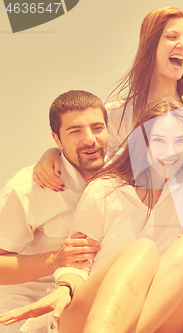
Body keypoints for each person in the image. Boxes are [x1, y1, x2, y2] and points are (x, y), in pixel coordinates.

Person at [0, 98, 183, 333]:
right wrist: (65, 287)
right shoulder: (104, 189)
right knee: (142, 251)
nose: (170, 150)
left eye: (181, 141)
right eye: (159, 140)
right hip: (92, 315)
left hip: (155, 318)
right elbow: (77, 262)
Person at [33, 5, 183, 191]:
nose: (182, 45)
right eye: (171, 37)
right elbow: (91, 160)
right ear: (150, 44)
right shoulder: (118, 114)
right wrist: (54, 153)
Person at [0, 90, 105, 333]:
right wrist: (56, 260)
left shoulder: (119, 182)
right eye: (75, 131)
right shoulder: (29, 186)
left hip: (86, 314)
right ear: (56, 140)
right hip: (23, 319)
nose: (90, 139)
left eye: (97, 127)